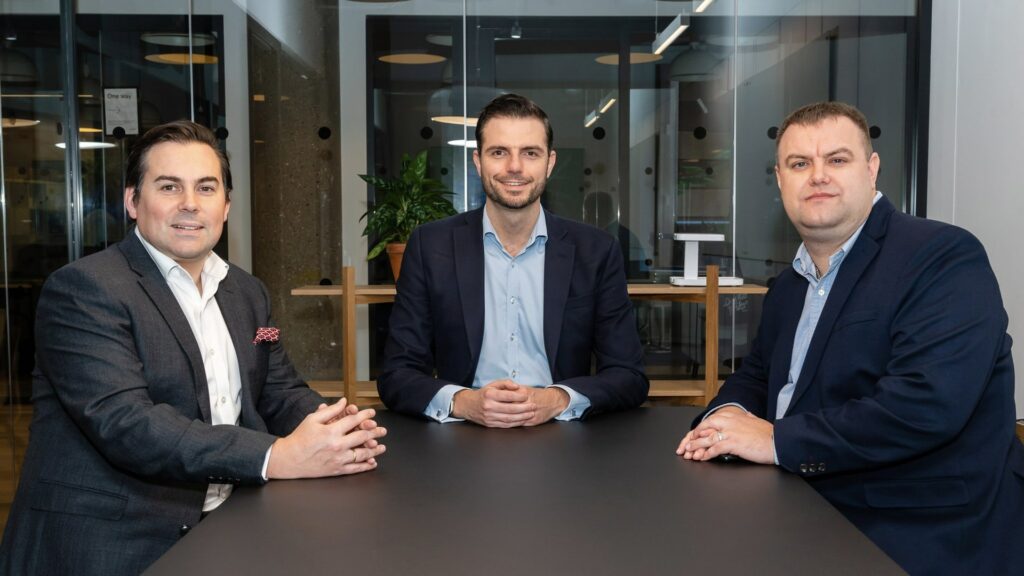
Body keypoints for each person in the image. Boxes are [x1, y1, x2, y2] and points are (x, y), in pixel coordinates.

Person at [0, 121, 387, 575]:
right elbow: (127, 424)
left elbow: (277, 387)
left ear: (226, 205)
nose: (190, 203)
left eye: (206, 187)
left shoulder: (249, 293)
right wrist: (274, 457)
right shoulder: (84, 289)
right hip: (110, 543)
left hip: (229, 527)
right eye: (169, 187)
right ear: (132, 201)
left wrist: (338, 428)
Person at [676, 102, 1024, 574]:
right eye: (800, 163)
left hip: (922, 527)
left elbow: (925, 406)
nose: (818, 175)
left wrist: (775, 439)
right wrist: (725, 417)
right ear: (780, 180)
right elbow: (757, 374)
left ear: (872, 168)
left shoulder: (941, 256)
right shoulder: (790, 284)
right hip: (804, 505)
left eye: (837, 159)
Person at [378, 94, 648, 426]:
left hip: (563, 434)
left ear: (549, 163)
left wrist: (556, 399)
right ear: (478, 162)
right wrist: (464, 402)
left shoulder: (596, 251)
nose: (515, 167)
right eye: (499, 152)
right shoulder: (430, 247)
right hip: (462, 434)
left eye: (530, 153)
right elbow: (397, 374)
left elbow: (629, 375)